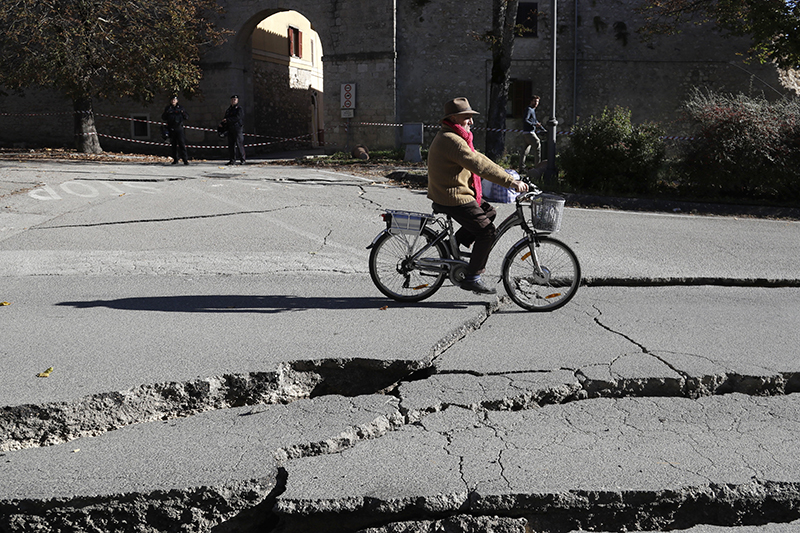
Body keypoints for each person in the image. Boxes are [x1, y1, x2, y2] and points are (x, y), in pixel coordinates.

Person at [427, 97, 529, 295]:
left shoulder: (456, 137)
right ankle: (472, 277)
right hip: (452, 196)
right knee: (487, 232)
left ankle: (450, 248)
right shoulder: (452, 140)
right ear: (454, 118)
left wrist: (509, 175)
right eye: (467, 118)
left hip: (454, 192)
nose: (471, 122)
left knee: (488, 211)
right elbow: (478, 165)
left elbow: (479, 158)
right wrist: (510, 182)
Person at [161, 96, 189, 165]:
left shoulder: (181, 108)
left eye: (174, 100)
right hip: (171, 128)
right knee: (173, 145)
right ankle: (175, 159)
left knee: (182, 144)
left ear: (177, 101)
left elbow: (186, 117)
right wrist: (167, 113)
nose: (173, 101)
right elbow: (163, 117)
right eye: (172, 100)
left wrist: (183, 113)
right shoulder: (168, 108)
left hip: (179, 128)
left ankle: (185, 159)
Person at [519, 95, 542, 173]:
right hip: (530, 133)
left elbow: (534, 121)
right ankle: (538, 167)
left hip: (526, 133)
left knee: (524, 151)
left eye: (537, 102)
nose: (536, 103)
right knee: (538, 146)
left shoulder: (532, 110)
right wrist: (534, 125)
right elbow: (526, 120)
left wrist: (542, 129)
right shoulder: (529, 109)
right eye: (535, 101)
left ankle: (521, 168)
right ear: (531, 101)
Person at [222, 95, 245, 165]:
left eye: (235, 99)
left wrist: (228, 120)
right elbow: (226, 117)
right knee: (231, 145)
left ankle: (242, 159)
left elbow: (237, 118)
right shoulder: (229, 109)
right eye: (232, 99)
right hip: (230, 129)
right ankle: (232, 160)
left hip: (237, 129)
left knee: (239, 144)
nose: (233, 101)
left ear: (237, 100)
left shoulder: (239, 109)